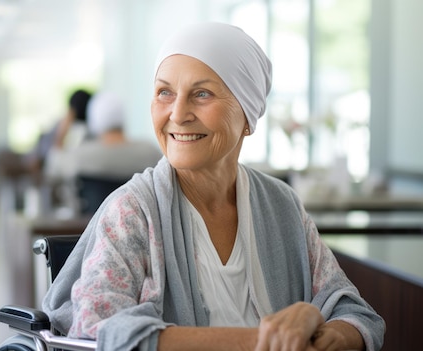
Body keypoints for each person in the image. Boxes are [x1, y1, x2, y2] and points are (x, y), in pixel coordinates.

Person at [42, 22, 384, 350]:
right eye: (165, 92)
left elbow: (356, 313)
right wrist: (264, 342)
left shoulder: (282, 204)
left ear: (247, 115)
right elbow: (96, 326)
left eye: (201, 94)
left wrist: (322, 334)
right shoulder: (132, 210)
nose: (177, 114)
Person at [70, 91, 162, 213]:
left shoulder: (80, 155)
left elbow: (52, 166)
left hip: (92, 226)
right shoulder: (150, 151)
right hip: (141, 227)